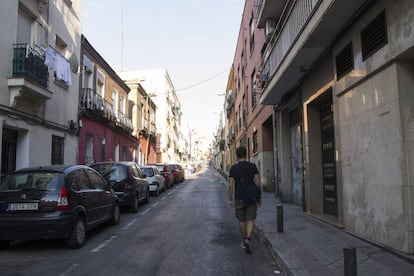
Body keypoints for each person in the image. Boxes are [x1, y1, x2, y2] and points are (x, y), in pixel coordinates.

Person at [227, 146, 261, 254]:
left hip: (239, 197)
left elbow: (230, 185)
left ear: (237, 156)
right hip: (251, 197)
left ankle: (243, 240)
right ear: (246, 154)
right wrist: (259, 197)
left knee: (241, 220)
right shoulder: (253, 166)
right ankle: (248, 238)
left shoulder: (233, 168)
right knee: (250, 219)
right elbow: (258, 182)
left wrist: (230, 199)